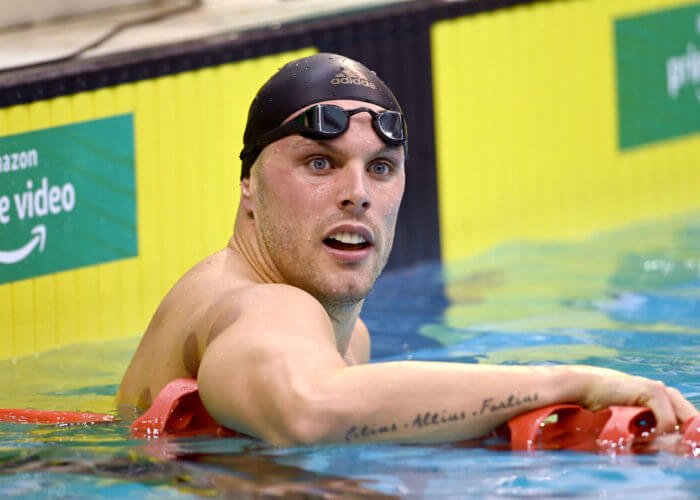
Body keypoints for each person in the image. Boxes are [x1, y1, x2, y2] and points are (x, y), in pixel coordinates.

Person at [117, 53, 698, 445]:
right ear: (248, 183)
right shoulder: (266, 306)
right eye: (320, 163)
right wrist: (575, 382)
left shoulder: (346, 339)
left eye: (381, 168)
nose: (358, 195)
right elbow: (311, 411)